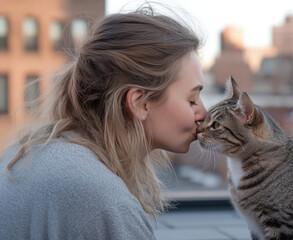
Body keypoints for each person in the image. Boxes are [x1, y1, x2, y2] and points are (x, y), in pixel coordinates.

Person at [0, 5, 206, 240]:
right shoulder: (101, 200)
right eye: (192, 99)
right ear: (140, 102)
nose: (204, 112)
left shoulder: (26, 154)